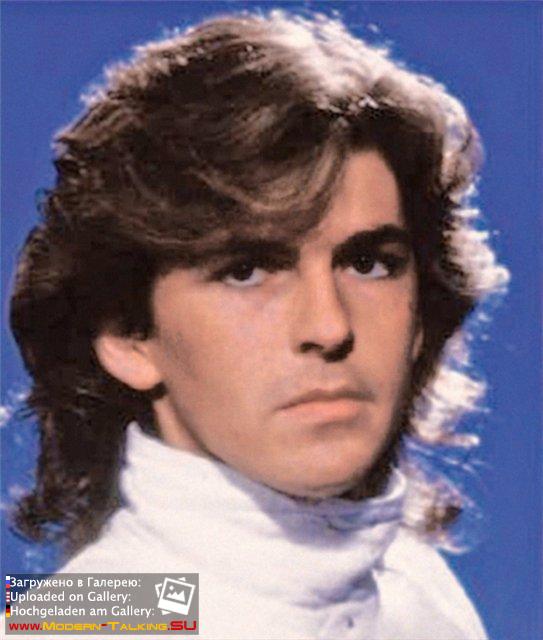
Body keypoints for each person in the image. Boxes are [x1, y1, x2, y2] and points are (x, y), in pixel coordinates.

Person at [8, 11, 507, 639]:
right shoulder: (80, 617)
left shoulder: (419, 588)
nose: (329, 327)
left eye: (368, 263)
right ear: (127, 336)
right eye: (246, 271)